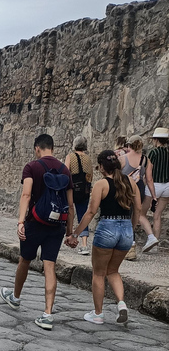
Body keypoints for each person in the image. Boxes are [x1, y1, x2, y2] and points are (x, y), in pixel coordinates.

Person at [0, 134, 74, 331]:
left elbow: (26, 194)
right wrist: (69, 232)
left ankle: (15, 297)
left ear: (37, 148)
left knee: (25, 260)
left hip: (35, 222)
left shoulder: (32, 167)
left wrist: (20, 222)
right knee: (50, 266)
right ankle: (47, 314)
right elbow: (70, 205)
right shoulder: (64, 170)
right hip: (56, 226)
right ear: (52, 147)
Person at [70, 150, 141, 324]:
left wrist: (75, 233)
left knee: (99, 273)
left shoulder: (101, 184)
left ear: (102, 167)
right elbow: (138, 209)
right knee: (114, 271)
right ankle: (122, 304)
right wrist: (130, 229)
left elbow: (91, 212)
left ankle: (98, 313)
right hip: (125, 229)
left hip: (107, 228)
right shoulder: (130, 181)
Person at [120, 135, 154, 259]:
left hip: (125, 187)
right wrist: (153, 195)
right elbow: (149, 180)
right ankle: (131, 245)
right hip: (139, 188)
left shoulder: (123, 159)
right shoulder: (146, 160)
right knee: (134, 215)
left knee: (124, 215)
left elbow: (116, 175)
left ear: (129, 145)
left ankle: (128, 246)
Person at [64, 136, 93, 255]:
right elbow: (90, 175)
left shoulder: (70, 156)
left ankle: (67, 235)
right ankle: (84, 245)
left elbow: (65, 172)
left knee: (66, 212)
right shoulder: (88, 158)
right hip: (84, 190)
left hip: (72, 188)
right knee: (83, 215)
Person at [144, 126, 169, 251]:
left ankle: (150, 238)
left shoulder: (153, 153)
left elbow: (149, 171)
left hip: (155, 184)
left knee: (141, 213)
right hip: (167, 186)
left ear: (156, 139)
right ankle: (155, 245)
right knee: (157, 215)